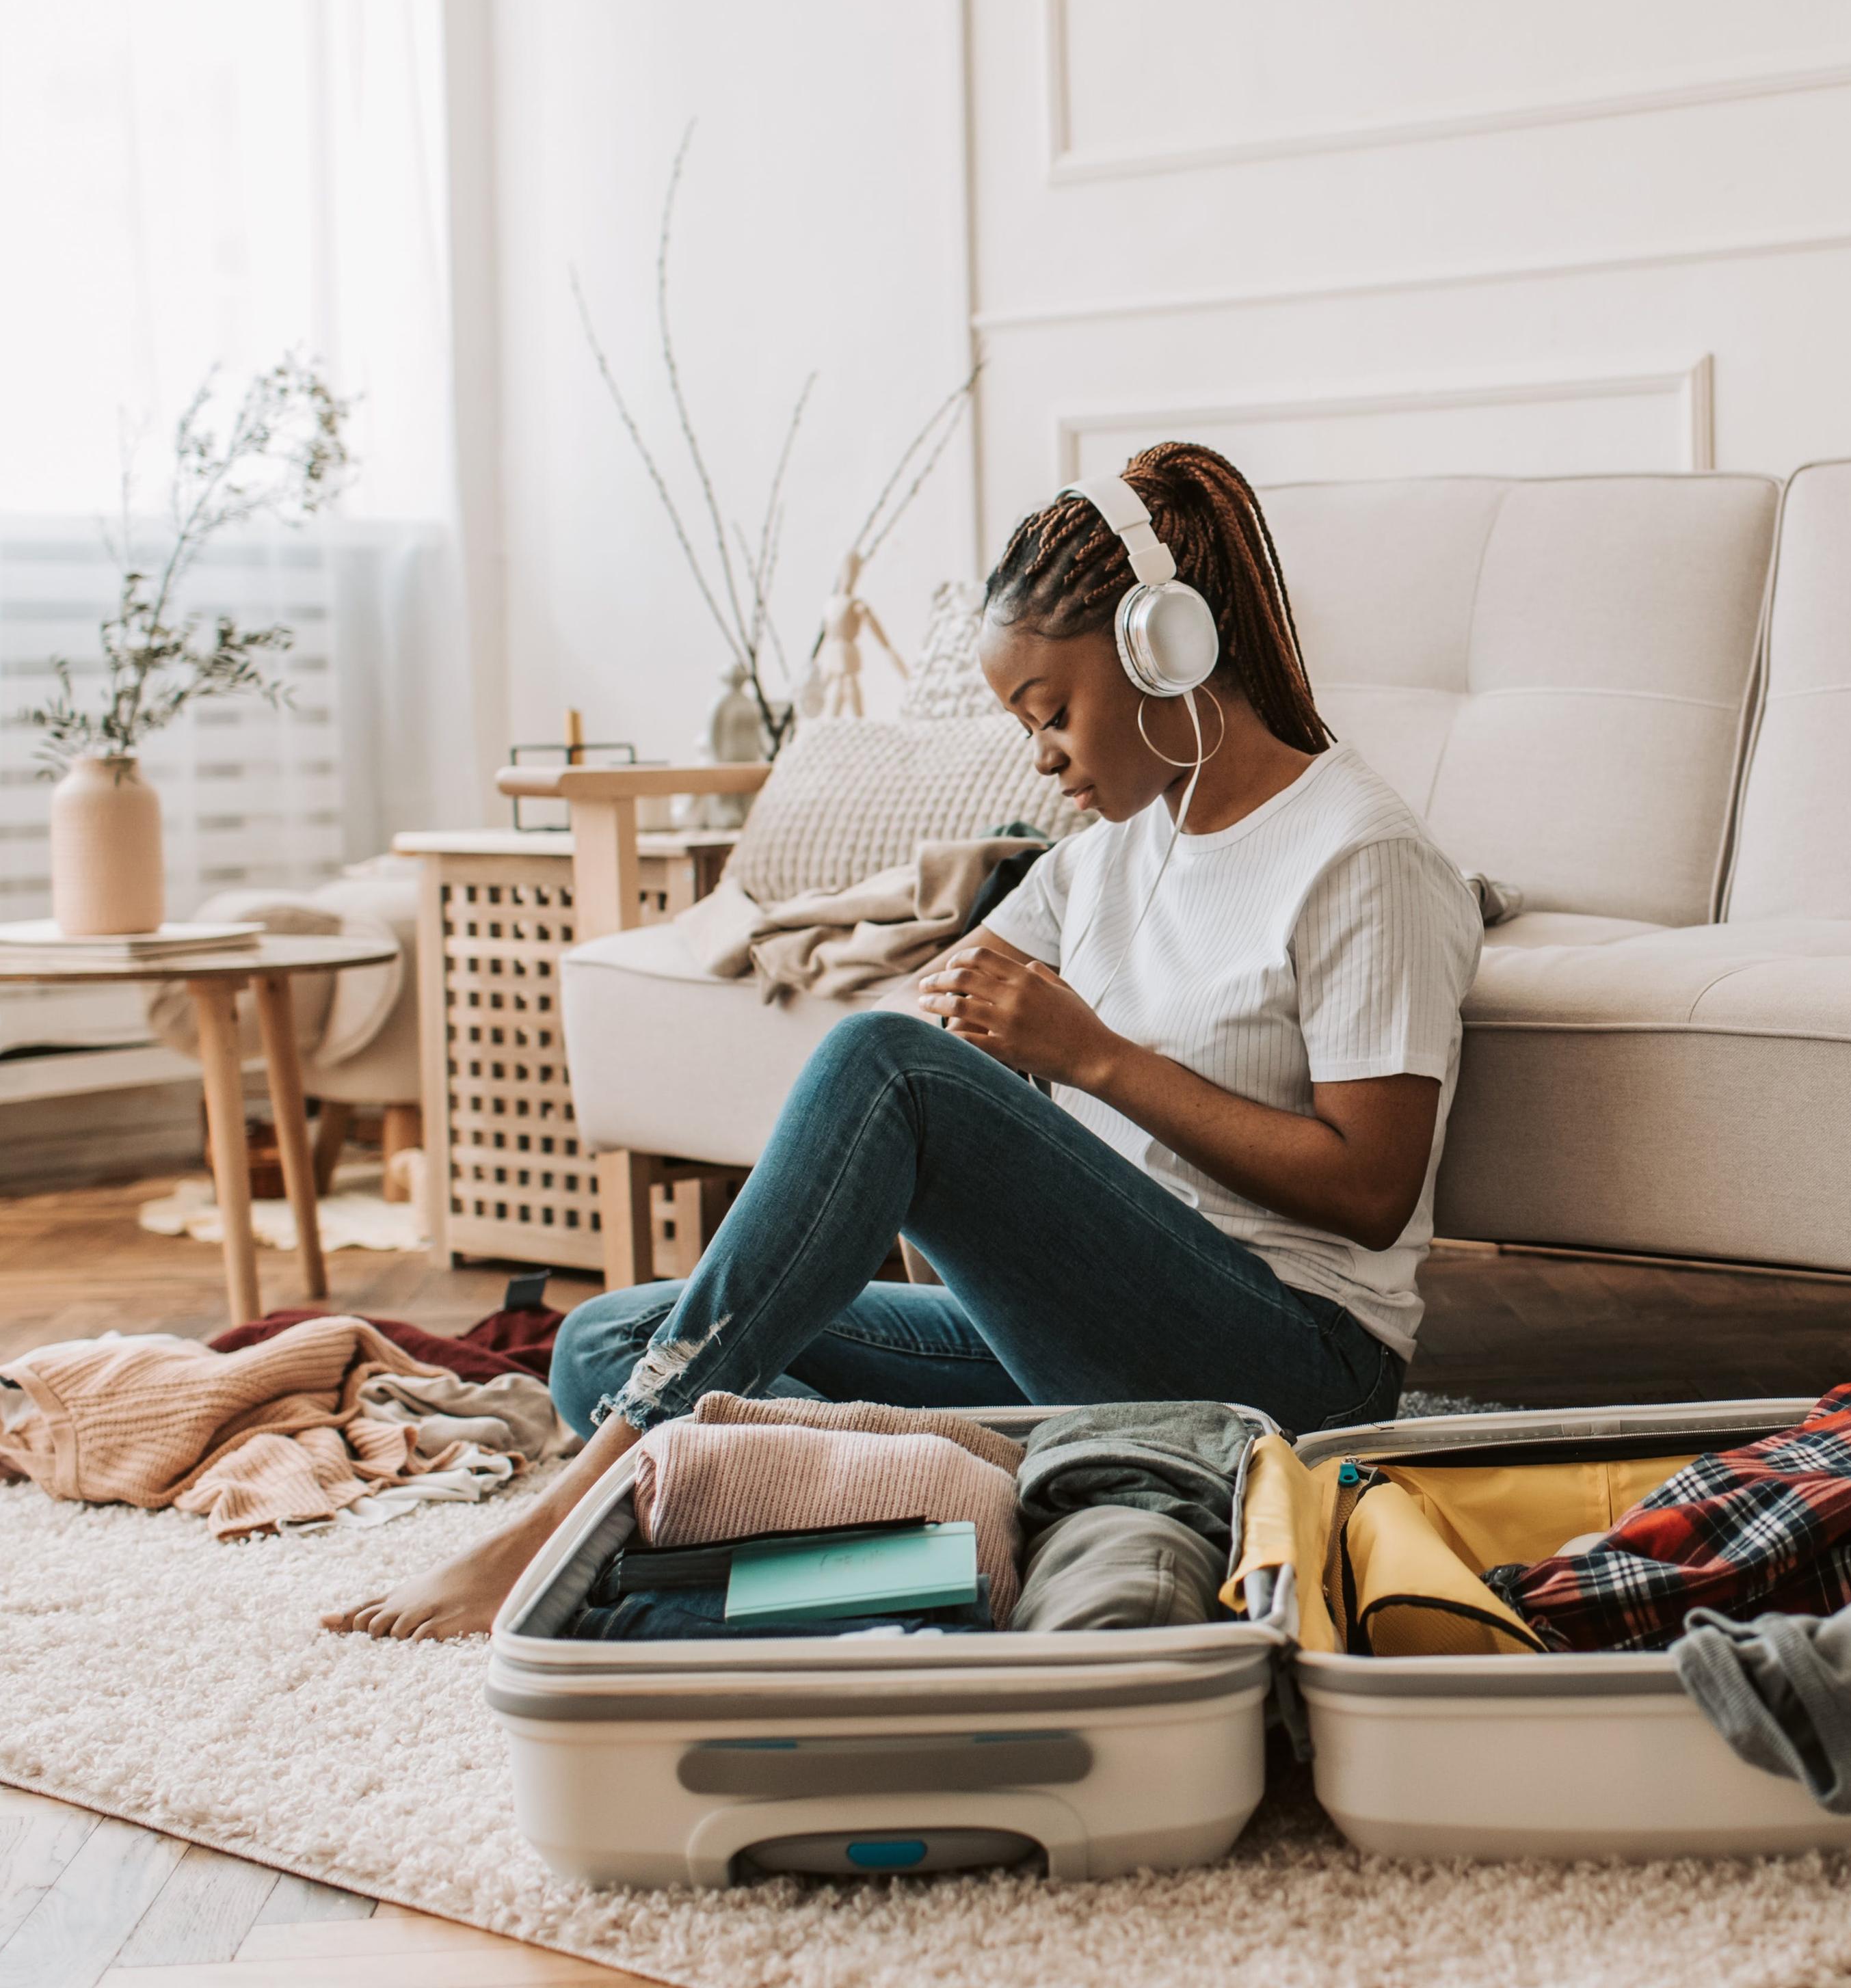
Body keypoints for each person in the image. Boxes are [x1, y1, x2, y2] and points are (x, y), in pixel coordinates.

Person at [328, 442, 1481, 1639]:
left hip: (1289, 1363)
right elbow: (944, 1036)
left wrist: (1096, 1060)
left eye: (1053, 715)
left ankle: (565, 1516)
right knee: (607, 1341)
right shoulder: (1108, 857)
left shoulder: (1361, 856)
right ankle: (973, 1493)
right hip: (1092, 1342)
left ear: (1166, 647)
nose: (1042, 758)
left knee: (875, 1079)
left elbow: (1371, 1185)